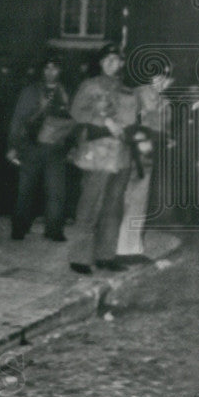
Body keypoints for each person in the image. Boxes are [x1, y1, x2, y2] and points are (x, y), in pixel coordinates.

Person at [67, 43, 139, 275]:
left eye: (116, 60)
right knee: (90, 204)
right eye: (107, 60)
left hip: (121, 156)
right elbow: (76, 112)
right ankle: (79, 258)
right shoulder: (90, 86)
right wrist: (103, 121)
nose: (111, 64)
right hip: (97, 155)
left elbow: (134, 119)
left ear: (121, 64)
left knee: (113, 207)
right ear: (100, 63)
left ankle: (105, 255)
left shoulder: (127, 90)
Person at [5, 54, 74, 241]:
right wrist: (13, 146)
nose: (51, 72)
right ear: (42, 70)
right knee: (26, 189)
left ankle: (54, 229)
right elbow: (18, 119)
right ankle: (19, 227)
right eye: (47, 68)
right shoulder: (31, 91)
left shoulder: (66, 92)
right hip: (31, 146)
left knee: (56, 191)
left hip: (56, 148)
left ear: (60, 70)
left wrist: (73, 146)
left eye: (55, 68)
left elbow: (74, 121)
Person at [116, 60, 174, 264]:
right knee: (127, 198)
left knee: (140, 199)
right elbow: (129, 122)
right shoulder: (138, 95)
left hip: (149, 154)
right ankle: (120, 247)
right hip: (133, 151)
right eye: (158, 77)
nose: (162, 82)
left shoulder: (165, 103)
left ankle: (132, 247)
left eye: (166, 79)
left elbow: (165, 129)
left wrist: (167, 139)